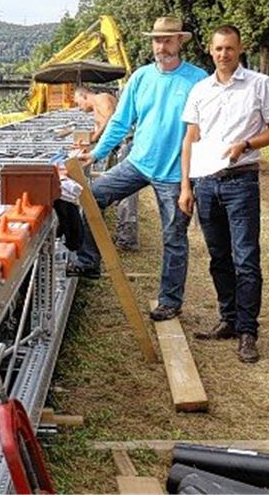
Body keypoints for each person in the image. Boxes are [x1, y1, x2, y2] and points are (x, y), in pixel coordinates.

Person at [67, 16, 208, 322]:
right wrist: (97, 152)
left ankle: (170, 301)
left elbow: (207, 129)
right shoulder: (141, 78)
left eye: (168, 40)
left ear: (180, 41)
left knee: (174, 236)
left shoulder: (198, 79)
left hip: (174, 174)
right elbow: (120, 122)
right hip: (138, 162)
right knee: (90, 197)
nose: (162, 46)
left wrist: (193, 180)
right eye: (157, 40)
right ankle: (89, 260)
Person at [179, 25, 269, 363]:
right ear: (210, 51)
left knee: (246, 259)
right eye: (218, 49)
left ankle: (248, 331)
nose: (224, 54)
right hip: (206, 183)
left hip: (241, 181)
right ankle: (228, 319)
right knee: (219, 257)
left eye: (229, 48)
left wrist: (247, 144)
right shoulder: (199, 90)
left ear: (240, 49)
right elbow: (190, 139)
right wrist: (186, 186)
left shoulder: (259, 84)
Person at [74, 85, 138, 250]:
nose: (79, 108)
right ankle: (124, 235)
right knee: (119, 192)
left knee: (127, 193)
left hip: (126, 145)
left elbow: (112, 118)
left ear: (85, 95)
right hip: (119, 147)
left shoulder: (101, 97)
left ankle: (128, 237)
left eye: (78, 102)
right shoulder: (96, 108)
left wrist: (95, 136)